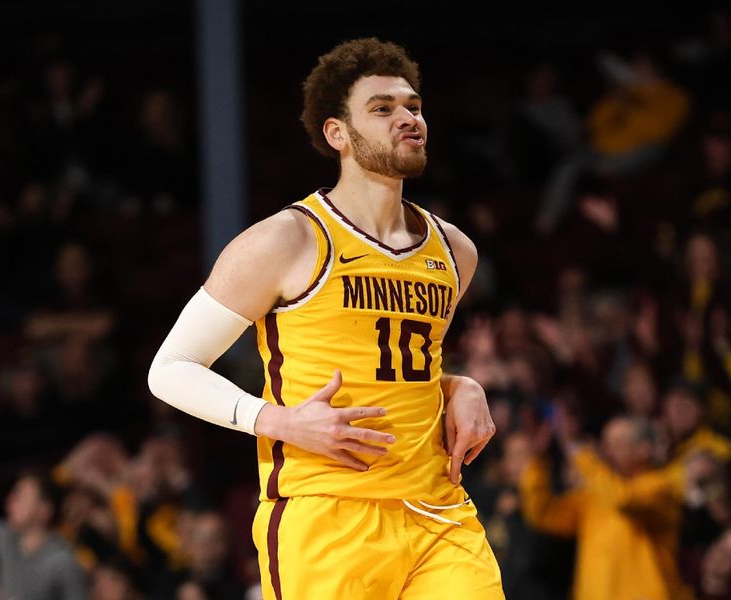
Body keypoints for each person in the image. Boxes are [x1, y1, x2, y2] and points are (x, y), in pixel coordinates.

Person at [147, 38, 502, 599]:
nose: (407, 119)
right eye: (382, 109)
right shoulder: (285, 240)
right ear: (338, 134)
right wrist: (275, 421)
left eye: (412, 105)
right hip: (327, 515)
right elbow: (169, 369)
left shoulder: (455, 250)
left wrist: (460, 383)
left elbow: (400, 366)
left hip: (438, 512)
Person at [518, 415, 693, 600]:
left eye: (618, 443)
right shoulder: (595, 493)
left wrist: (582, 455)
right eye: (606, 443)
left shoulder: (661, 487)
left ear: (643, 449)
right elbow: (544, 515)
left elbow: (623, 499)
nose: (607, 451)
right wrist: (537, 463)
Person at [0, 470, 87, 600]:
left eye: (20, 496)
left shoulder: (62, 562)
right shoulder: (5, 538)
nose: (10, 501)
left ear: (44, 510)